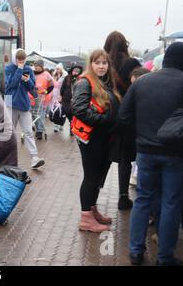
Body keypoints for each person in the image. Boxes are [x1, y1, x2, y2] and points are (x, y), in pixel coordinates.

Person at [119, 42, 183, 266]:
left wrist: (141, 133)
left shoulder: (143, 82)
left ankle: (136, 251)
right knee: (171, 203)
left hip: (145, 151)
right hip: (175, 153)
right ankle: (165, 257)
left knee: (143, 199)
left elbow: (123, 116)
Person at [72, 49, 121, 233]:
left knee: (97, 176)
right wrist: (105, 120)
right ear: (90, 64)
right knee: (91, 177)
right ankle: (86, 219)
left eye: (104, 63)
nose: (101, 66)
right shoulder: (85, 81)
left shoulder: (104, 82)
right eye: (97, 62)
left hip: (102, 137)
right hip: (92, 138)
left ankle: (92, 211)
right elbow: (79, 109)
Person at [104, 31, 141, 210]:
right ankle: (123, 196)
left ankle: (93, 197)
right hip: (127, 116)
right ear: (125, 44)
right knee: (126, 158)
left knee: (101, 157)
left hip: (105, 115)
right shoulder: (132, 63)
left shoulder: (101, 63)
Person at [5, 49, 45, 169]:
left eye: (23, 59)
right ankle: (7, 158)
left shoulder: (28, 69)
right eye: (19, 59)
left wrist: (27, 80)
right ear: (14, 58)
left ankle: (34, 158)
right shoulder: (9, 68)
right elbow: (11, 84)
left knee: (28, 131)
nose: (21, 62)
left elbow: (32, 87)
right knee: (9, 132)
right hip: (10, 102)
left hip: (23, 103)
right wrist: (19, 70)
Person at [32, 59, 54, 140]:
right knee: (33, 114)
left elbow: (51, 85)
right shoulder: (31, 73)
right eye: (35, 66)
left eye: (37, 66)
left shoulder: (46, 74)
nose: (36, 67)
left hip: (42, 98)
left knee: (40, 115)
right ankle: (35, 126)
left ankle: (40, 131)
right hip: (31, 97)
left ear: (41, 66)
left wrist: (46, 92)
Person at [60, 64, 84, 135]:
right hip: (66, 99)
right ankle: (71, 122)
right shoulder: (67, 78)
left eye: (77, 71)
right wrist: (61, 95)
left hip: (76, 100)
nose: (76, 72)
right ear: (72, 70)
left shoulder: (81, 79)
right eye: (74, 70)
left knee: (74, 115)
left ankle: (72, 128)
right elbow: (62, 87)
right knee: (67, 113)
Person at [51, 63, 68, 133]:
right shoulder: (54, 75)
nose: (57, 70)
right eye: (56, 69)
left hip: (61, 95)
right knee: (55, 111)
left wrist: (63, 95)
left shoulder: (65, 76)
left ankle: (61, 124)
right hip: (54, 95)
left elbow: (66, 87)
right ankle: (56, 125)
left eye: (58, 69)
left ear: (61, 69)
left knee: (61, 111)